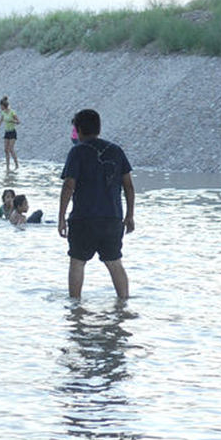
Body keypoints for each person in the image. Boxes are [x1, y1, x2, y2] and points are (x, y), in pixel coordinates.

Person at [58, 109, 135, 300]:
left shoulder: (77, 152)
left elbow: (69, 186)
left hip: (83, 219)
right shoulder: (116, 151)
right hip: (112, 218)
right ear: (99, 128)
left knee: (77, 262)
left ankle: (75, 310)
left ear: (79, 129)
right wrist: (130, 215)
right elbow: (129, 186)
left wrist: (61, 218)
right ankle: (123, 305)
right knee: (115, 262)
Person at [0, 96, 20, 170]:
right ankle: (7, 166)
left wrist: (12, 121)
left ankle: (16, 164)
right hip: (6, 132)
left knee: (11, 148)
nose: (0, 107)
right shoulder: (3, 113)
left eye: (1, 106)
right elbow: (0, 122)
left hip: (12, 132)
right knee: (5, 149)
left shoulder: (12, 112)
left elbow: (18, 122)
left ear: (3, 106)